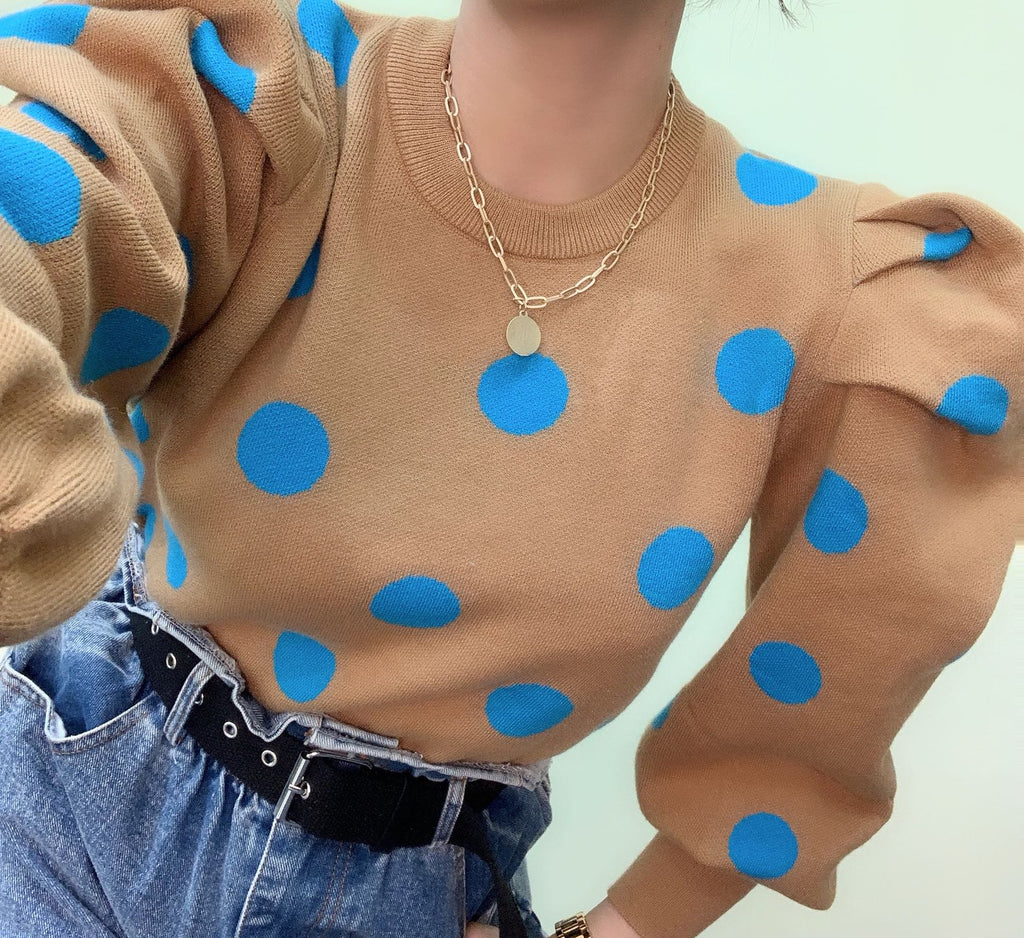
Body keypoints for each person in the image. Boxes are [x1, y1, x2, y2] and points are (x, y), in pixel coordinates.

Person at [0, 1, 1020, 937]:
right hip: (57, 795)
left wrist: (622, 926)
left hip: (407, 896)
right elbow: (43, 208)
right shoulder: (265, 92)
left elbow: (824, 699)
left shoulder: (836, 297)